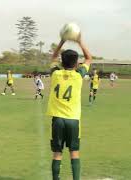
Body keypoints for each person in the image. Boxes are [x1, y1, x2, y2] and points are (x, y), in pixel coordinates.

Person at [46, 37, 92, 180]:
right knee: (74, 152)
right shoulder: (79, 75)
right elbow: (89, 58)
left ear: (61, 61)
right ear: (77, 63)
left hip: (58, 119)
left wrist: (61, 41)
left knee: (57, 153)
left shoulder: (56, 74)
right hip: (72, 119)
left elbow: (53, 57)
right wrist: (79, 41)